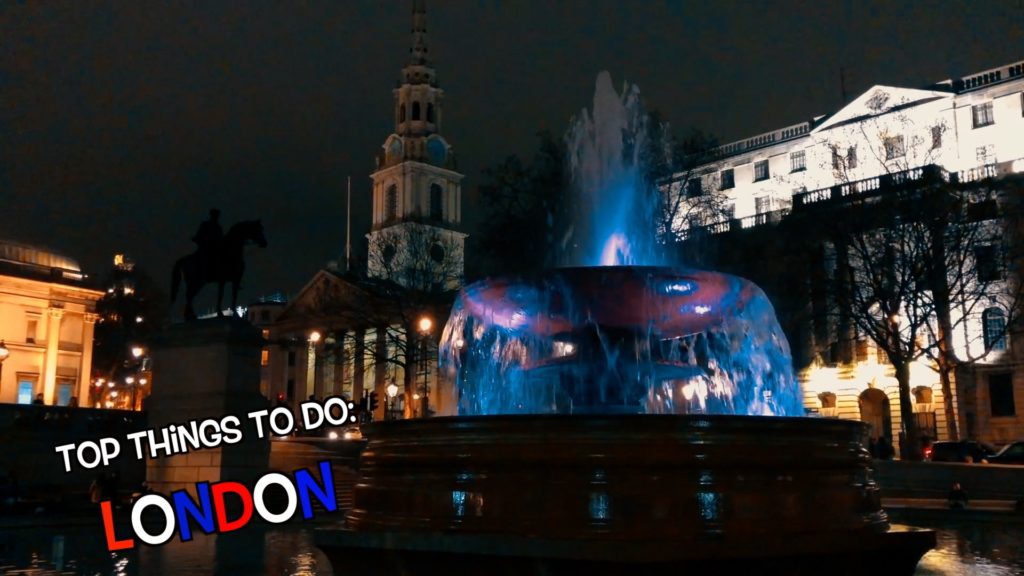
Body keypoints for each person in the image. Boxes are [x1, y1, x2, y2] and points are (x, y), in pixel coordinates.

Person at [192, 208, 224, 275]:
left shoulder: (218, 227)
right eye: (215, 215)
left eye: (217, 215)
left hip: (215, 248)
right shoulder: (205, 225)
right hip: (205, 248)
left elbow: (221, 239)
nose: (216, 217)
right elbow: (199, 235)